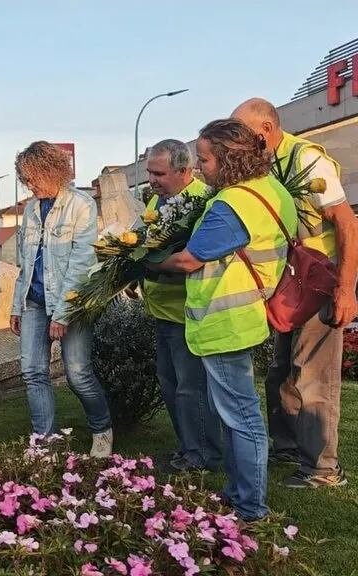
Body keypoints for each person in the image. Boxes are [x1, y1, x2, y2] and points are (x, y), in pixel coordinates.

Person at [152, 118, 298, 521]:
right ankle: (237, 493)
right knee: (238, 414)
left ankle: (250, 506)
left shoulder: (232, 203)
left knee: (241, 417)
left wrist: (146, 263)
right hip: (246, 313)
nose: (199, 169)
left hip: (224, 320)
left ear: (229, 159)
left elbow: (189, 260)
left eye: (204, 160)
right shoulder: (272, 189)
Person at [232, 98, 357, 488]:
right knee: (281, 373)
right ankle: (287, 447)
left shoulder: (307, 160)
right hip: (290, 286)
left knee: (312, 376)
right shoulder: (265, 163)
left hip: (318, 283)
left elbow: (347, 224)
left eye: (242, 132)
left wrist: (345, 290)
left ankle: (323, 469)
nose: (237, 140)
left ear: (266, 129)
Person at [10, 141, 113, 457]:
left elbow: (81, 264)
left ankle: (102, 430)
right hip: (34, 302)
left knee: (78, 374)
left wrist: (62, 314)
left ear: (52, 171)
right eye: (25, 179)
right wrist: (16, 306)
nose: (30, 185)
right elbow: (25, 263)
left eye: (33, 178)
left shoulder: (81, 205)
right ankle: (45, 442)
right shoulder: (31, 210)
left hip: (70, 303)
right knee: (33, 372)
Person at [139, 139, 222, 472]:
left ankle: (202, 455)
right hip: (162, 310)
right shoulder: (157, 200)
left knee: (191, 389)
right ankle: (188, 448)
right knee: (171, 384)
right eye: (149, 172)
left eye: (159, 174)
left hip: (187, 313)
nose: (152, 180)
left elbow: (191, 259)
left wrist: (149, 263)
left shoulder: (202, 202)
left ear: (185, 170)